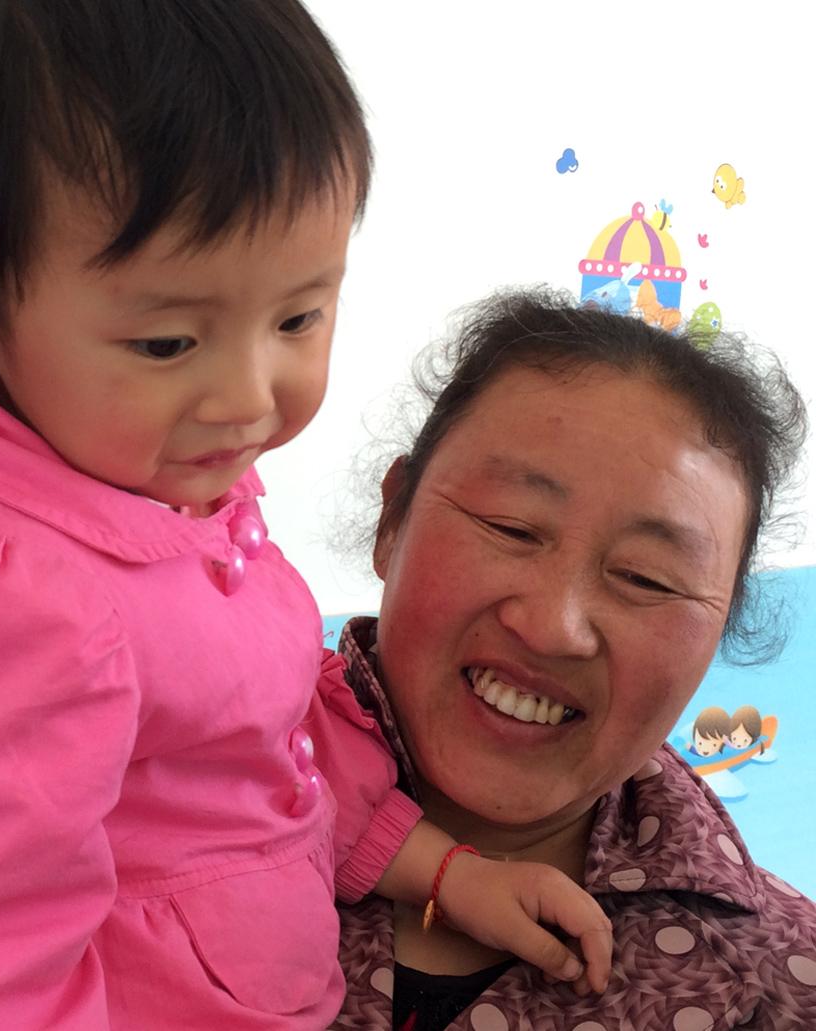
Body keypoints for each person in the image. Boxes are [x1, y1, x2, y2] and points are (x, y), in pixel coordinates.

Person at [0, 5, 611, 1029]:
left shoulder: (147, 476)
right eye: (166, 342)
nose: (248, 397)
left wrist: (444, 871)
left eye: (296, 317)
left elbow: (245, 762)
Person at [332, 290, 816, 1029]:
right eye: (512, 527)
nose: (553, 627)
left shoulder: (783, 983)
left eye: (646, 577)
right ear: (393, 516)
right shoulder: (149, 770)